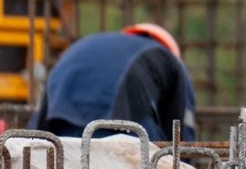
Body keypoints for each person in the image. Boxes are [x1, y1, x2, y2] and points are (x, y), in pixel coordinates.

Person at [30, 24, 197, 141]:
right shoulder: (168, 58)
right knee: (155, 156)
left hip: (63, 128)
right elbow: (181, 133)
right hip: (119, 129)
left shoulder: (85, 46)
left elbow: (40, 119)